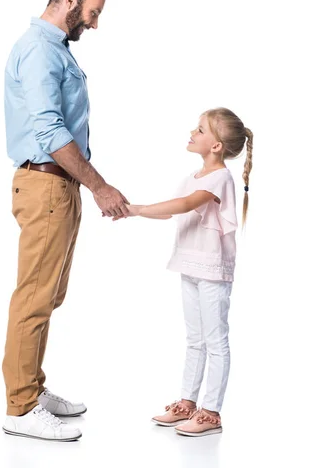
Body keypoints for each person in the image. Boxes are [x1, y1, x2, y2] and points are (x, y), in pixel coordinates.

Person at [2, 0, 130, 442]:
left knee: (49, 294)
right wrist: (101, 186)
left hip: (60, 187)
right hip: (46, 185)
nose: (95, 23)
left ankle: (31, 389)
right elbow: (51, 131)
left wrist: (84, 187)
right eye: (94, 12)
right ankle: (19, 408)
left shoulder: (54, 50)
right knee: (33, 297)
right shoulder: (39, 50)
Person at [114, 108, 253, 437]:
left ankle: (211, 412)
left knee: (215, 341)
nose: (193, 132)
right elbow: (171, 210)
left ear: (217, 146)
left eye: (201, 129)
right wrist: (134, 211)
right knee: (195, 339)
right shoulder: (193, 177)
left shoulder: (220, 178)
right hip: (189, 265)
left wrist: (135, 209)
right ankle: (188, 402)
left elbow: (184, 205)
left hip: (212, 271)